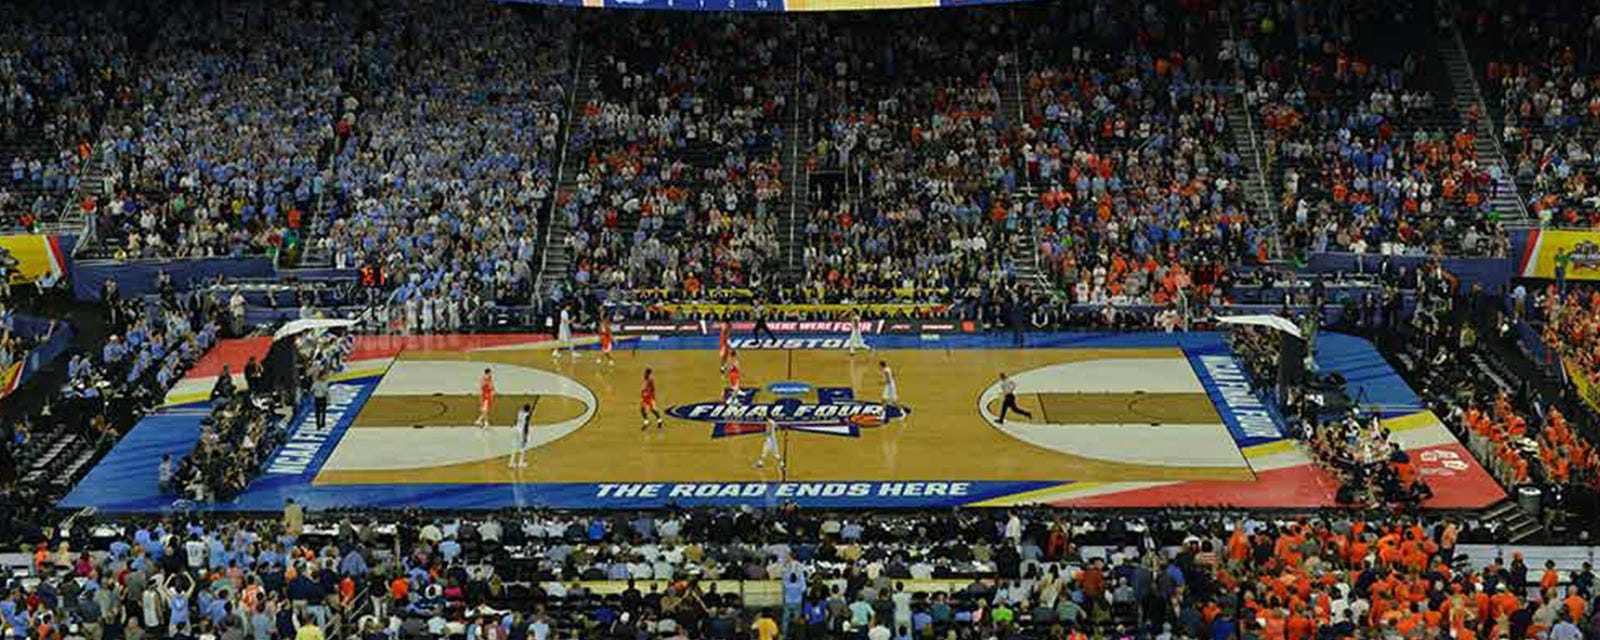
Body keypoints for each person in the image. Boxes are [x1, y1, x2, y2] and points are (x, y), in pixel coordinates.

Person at [509, 403, 532, 468]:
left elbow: (516, 420)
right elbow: (526, 426)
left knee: (514, 446)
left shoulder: (519, 412)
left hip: (516, 429)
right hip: (521, 431)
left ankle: (511, 463)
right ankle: (520, 463)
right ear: (528, 410)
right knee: (522, 447)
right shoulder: (527, 415)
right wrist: (525, 435)